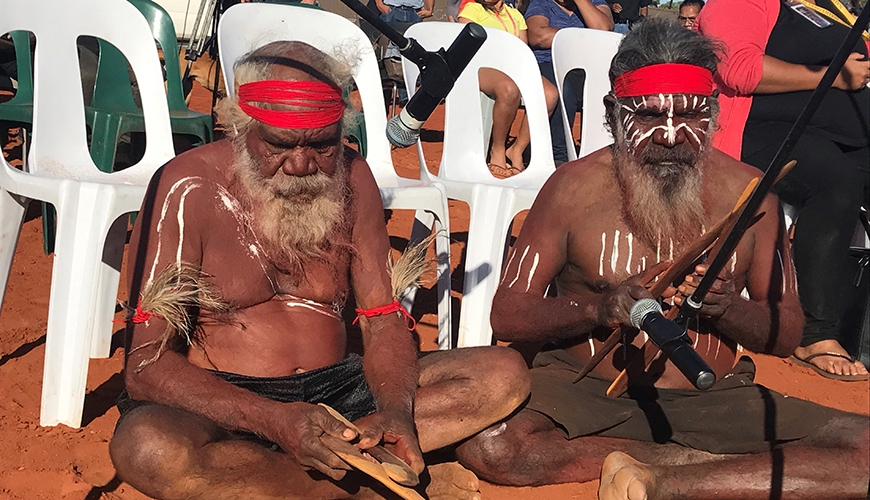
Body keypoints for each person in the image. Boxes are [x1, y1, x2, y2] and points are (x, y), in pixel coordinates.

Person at [453, 19, 870, 499]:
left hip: (714, 397)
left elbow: (786, 333)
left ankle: (666, 479)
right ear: (613, 112)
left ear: (714, 113)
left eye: (691, 115)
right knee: (493, 443)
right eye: (649, 116)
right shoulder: (570, 188)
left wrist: (728, 308)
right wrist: (599, 308)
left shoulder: (751, 196)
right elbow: (508, 314)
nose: (671, 136)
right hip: (581, 393)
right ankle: (715, 469)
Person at [108, 40, 531, 500]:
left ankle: (325, 470)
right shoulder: (185, 187)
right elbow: (145, 365)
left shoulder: (353, 178)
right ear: (241, 127)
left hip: (341, 397)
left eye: (323, 144)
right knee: (146, 447)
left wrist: (395, 409)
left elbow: (382, 318)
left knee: (503, 372)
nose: (302, 164)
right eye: (279, 145)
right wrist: (273, 419)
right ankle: (365, 482)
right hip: (225, 401)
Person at [697, 0, 870, 380]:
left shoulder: (830, 7)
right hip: (755, 131)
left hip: (840, 136)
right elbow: (738, 70)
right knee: (835, 179)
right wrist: (834, 76)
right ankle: (815, 332)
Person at [459, 0, 560, 177]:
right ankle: (497, 148)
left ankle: (516, 149)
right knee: (509, 89)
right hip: (481, 65)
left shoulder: (515, 15)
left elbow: (522, 49)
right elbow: (466, 43)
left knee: (549, 94)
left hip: (512, 67)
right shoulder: (472, 9)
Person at [524, 0, 614, 164]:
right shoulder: (542, 4)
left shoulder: (596, 3)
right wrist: (584, 36)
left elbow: (604, 30)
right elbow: (538, 36)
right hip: (550, 62)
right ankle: (558, 155)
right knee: (563, 89)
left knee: (605, 91)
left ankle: (596, 154)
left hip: (587, 66)